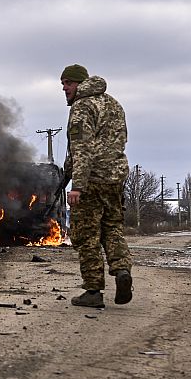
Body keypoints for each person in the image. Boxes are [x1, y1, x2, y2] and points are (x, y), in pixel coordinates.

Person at [60, 64, 133, 308]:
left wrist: (77, 185)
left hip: (91, 181)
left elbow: (82, 149)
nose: (64, 87)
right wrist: (65, 174)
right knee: (112, 228)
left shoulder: (82, 107)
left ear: (80, 83)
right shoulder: (113, 104)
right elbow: (118, 140)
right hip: (115, 179)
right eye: (63, 83)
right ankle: (122, 270)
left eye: (68, 82)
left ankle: (93, 291)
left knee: (86, 236)